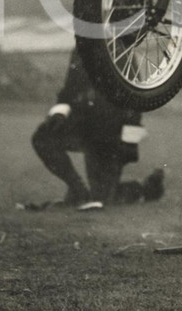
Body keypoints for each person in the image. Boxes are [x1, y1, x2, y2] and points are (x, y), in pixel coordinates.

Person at [31, 49, 164, 209]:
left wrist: (128, 142)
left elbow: (136, 101)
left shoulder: (122, 51)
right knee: (43, 137)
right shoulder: (80, 51)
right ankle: (78, 190)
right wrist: (59, 113)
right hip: (82, 127)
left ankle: (146, 188)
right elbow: (68, 91)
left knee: (102, 198)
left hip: (109, 135)